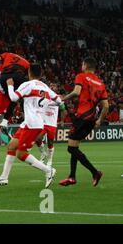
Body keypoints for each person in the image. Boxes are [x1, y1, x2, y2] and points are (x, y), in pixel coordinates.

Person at [0, 63, 61, 188]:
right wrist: (42, 108)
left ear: (29, 73)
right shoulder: (45, 87)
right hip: (31, 122)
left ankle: (48, 170)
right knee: (11, 146)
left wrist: (10, 86)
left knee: (21, 154)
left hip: (32, 124)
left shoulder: (27, 85)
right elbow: (59, 101)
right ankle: (4, 177)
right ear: (40, 74)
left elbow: (13, 98)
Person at [59, 57, 108, 187]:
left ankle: (95, 172)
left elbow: (76, 92)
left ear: (85, 65)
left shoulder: (81, 76)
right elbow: (106, 106)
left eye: (82, 64)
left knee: (71, 148)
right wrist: (99, 120)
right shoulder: (100, 83)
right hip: (91, 119)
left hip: (82, 117)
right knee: (75, 146)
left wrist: (63, 99)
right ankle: (72, 177)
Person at [0, 52, 30, 135]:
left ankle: (2, 113)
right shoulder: (26, 62)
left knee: (8, 96)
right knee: (16, 98)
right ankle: (5, 120)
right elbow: (30, 74)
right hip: (18, 76)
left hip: (4, 77)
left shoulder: (8, 54)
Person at [36, 83, 67, 167]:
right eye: (51, 85)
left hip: (52, 124)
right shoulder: (43, 96)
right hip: (43, 123)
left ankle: (50, 160)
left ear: (57, 88)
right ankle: (43, 154)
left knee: (50, 143)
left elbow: (64, 110)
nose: (52, 87)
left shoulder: (58, 98)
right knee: (37, 139)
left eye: (54, 85)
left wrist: (62, 120)